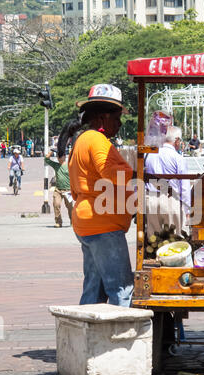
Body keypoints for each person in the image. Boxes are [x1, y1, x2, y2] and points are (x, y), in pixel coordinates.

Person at [57, 83, 134, 307]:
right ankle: (121, 339)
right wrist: (138, 174)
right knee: (121, 288)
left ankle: (87, 340)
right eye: (117, 118)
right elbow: (110, 173)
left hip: (86, 222)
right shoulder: (97, 141)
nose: (119, 124)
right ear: (102, 117)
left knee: (94, 290)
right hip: (103, 226)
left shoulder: (81, 140)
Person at [145, 125, 191, 238]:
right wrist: (186, 210)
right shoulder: (178, 158)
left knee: (154, 241)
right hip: (172, 201)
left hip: (151, 201)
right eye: (179, 140)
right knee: (174, 242)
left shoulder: (149, 155)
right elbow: (184, 187)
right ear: (176, 140)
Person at [44, 150, 73, 228]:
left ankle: (73, 221)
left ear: (64, 157)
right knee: (56, 204)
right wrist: (50, 152)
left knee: (70, 207)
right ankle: (58, 222)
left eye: (60, 156)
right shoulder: (56, 165)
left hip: (68, 190)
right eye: (58, 156)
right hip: (58, 190)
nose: (59, 158)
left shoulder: (70, 165)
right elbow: (46, 160)